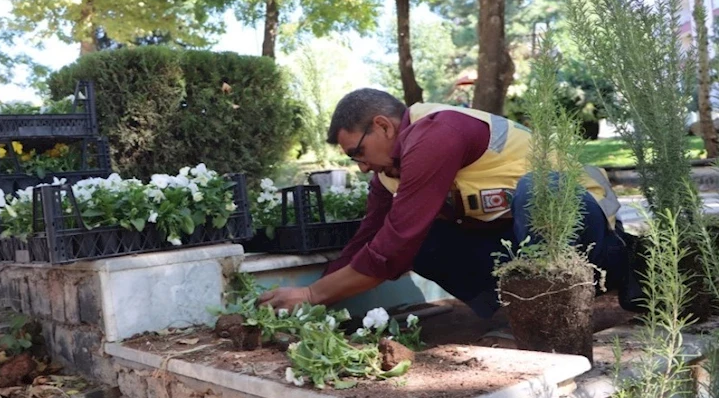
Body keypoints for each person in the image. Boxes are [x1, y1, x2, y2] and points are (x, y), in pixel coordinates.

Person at [258, 88, 632, 323]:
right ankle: (519, 313)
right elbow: (367, 243)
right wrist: (312, 301)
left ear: (384, 126)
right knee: (426, 239)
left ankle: (555, 314)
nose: (362, 166)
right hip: (519, 250)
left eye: (359, 152)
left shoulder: (438, 132)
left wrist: (310, 294)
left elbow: (397, 241)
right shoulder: (387, 175)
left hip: (594, 243)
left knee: (540, 191)